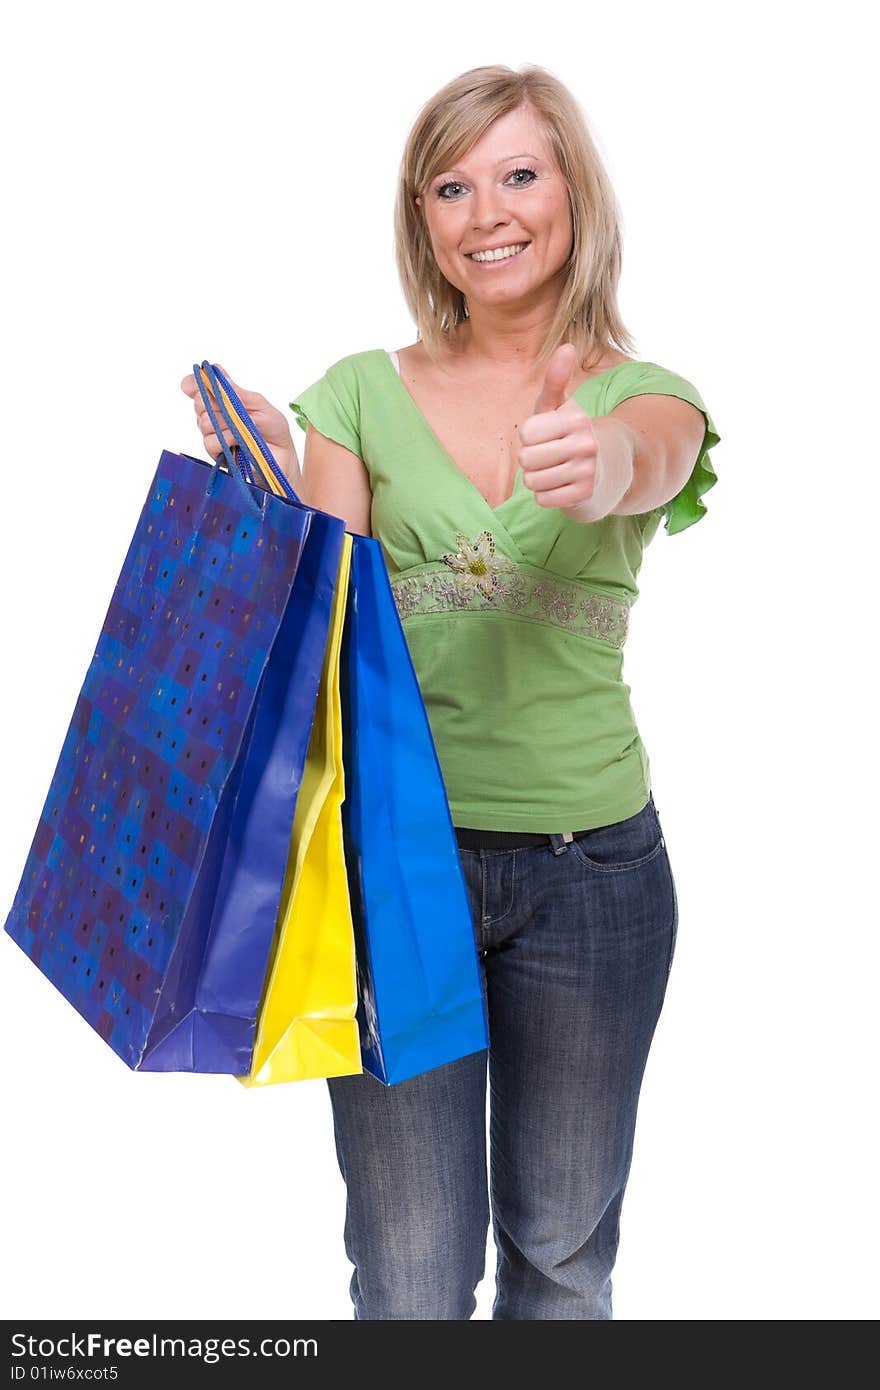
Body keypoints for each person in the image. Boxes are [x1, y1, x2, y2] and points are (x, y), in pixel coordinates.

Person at [181, 62, 721, 1320]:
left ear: (573, 190)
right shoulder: (360, 393)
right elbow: (316, 611)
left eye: (519, 173)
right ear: (421, 217)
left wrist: (598, 462)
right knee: (412, 1279)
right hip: (394, 874)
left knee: (561, 1258)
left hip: (594, 877)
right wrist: (269, 494)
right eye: (451, 185)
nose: (488, 211)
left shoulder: (642, 398)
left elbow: (651, 462)